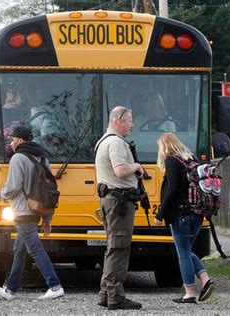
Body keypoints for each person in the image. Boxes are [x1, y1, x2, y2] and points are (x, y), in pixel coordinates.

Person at [0, 126, 64, 301]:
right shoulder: (42, 157)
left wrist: (1, 194)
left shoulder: (18, 158)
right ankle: (10, 289)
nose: (11, 143)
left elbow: (13, 186)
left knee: (34, 248)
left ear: (20, 140)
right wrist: (48, 219)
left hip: (22, 210)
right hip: (37, 209)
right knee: (20, 249)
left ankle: (54, 285)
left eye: (12, 140)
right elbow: (48, 188)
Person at [154, 132, 214, 304]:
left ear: (165, 147)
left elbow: (172, 189)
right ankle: (205, 279)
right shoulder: (192, 159)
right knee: (186, 250)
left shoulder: (172, 161)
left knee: (183, 253)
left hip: (180, 214)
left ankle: (189, 292)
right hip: (196, 213)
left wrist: (160, 213)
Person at [94, 106, 143, 310]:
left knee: (113, 247)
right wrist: (137, 167)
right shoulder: (115, 143)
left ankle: (106, 293)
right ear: (119, 120)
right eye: (130, 120)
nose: (132, 124)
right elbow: (120, 170)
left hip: (111, 200)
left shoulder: (103, 141)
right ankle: (116, 296)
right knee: (120, 247)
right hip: (120, 202)